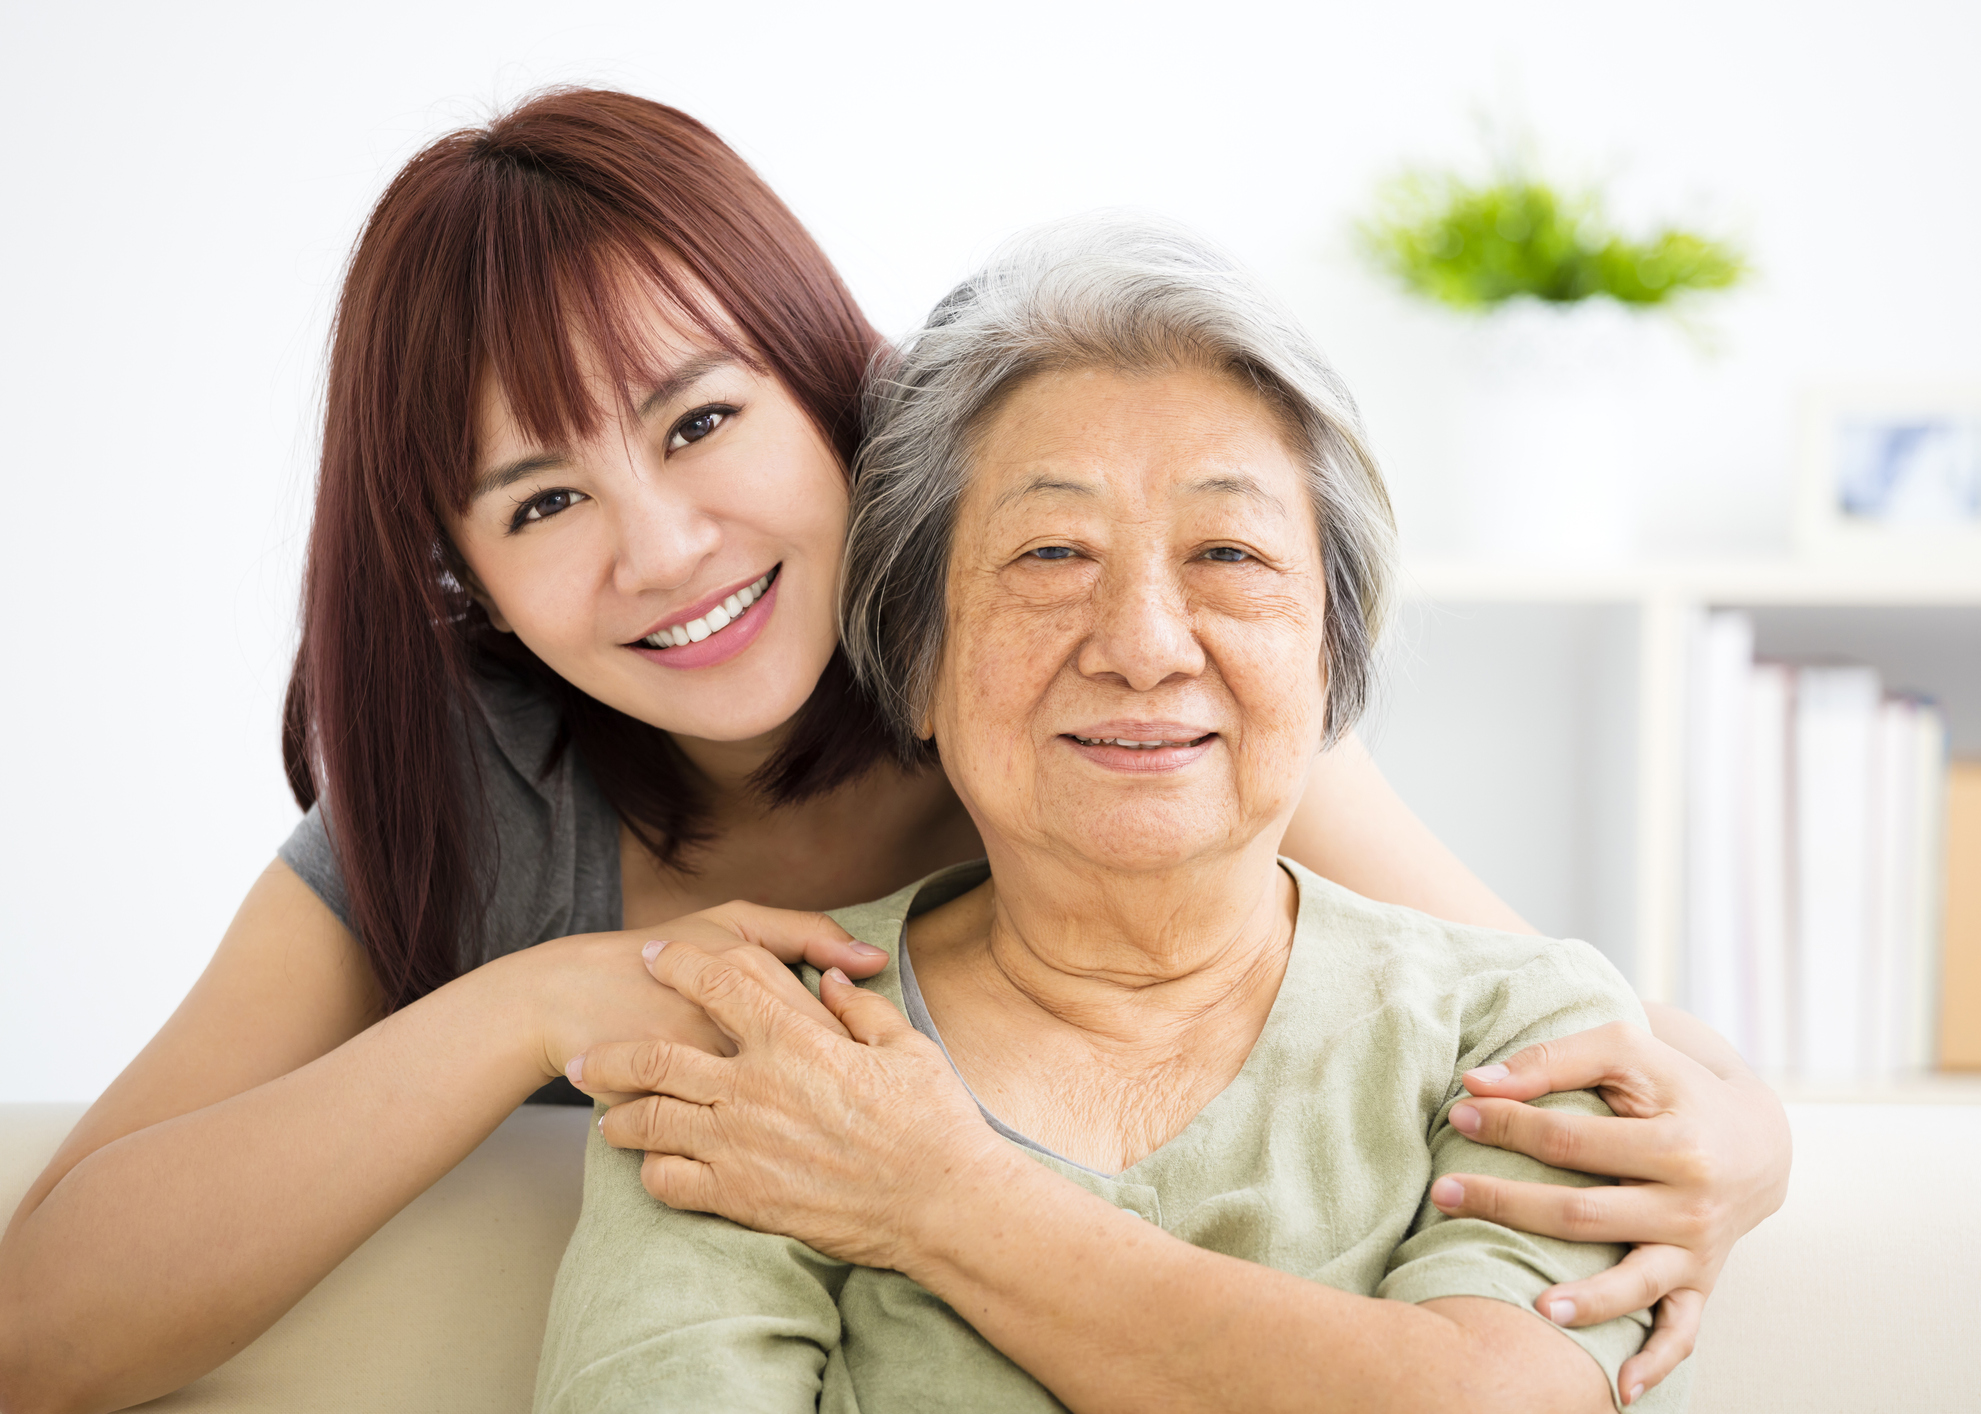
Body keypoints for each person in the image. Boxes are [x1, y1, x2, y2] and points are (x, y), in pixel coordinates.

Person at [0, 89, 1782, 1413]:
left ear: (827, 379)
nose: (663, 544)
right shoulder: (475, 795)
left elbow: (1560, 1021)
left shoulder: (1102, 703)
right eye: (544, 498)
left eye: (702, 418)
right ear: (464, 574)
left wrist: (1751, 1139)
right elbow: (42, 1320)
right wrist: (544, 999)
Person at [541, 217, 1689, 1412]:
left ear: (1330, 652)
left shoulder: (1523, 1033)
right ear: (918, 659)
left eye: (1229, 553)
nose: (1144, 644)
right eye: (1049, 552)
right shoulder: (759, 1051)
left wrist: (940, 1198)